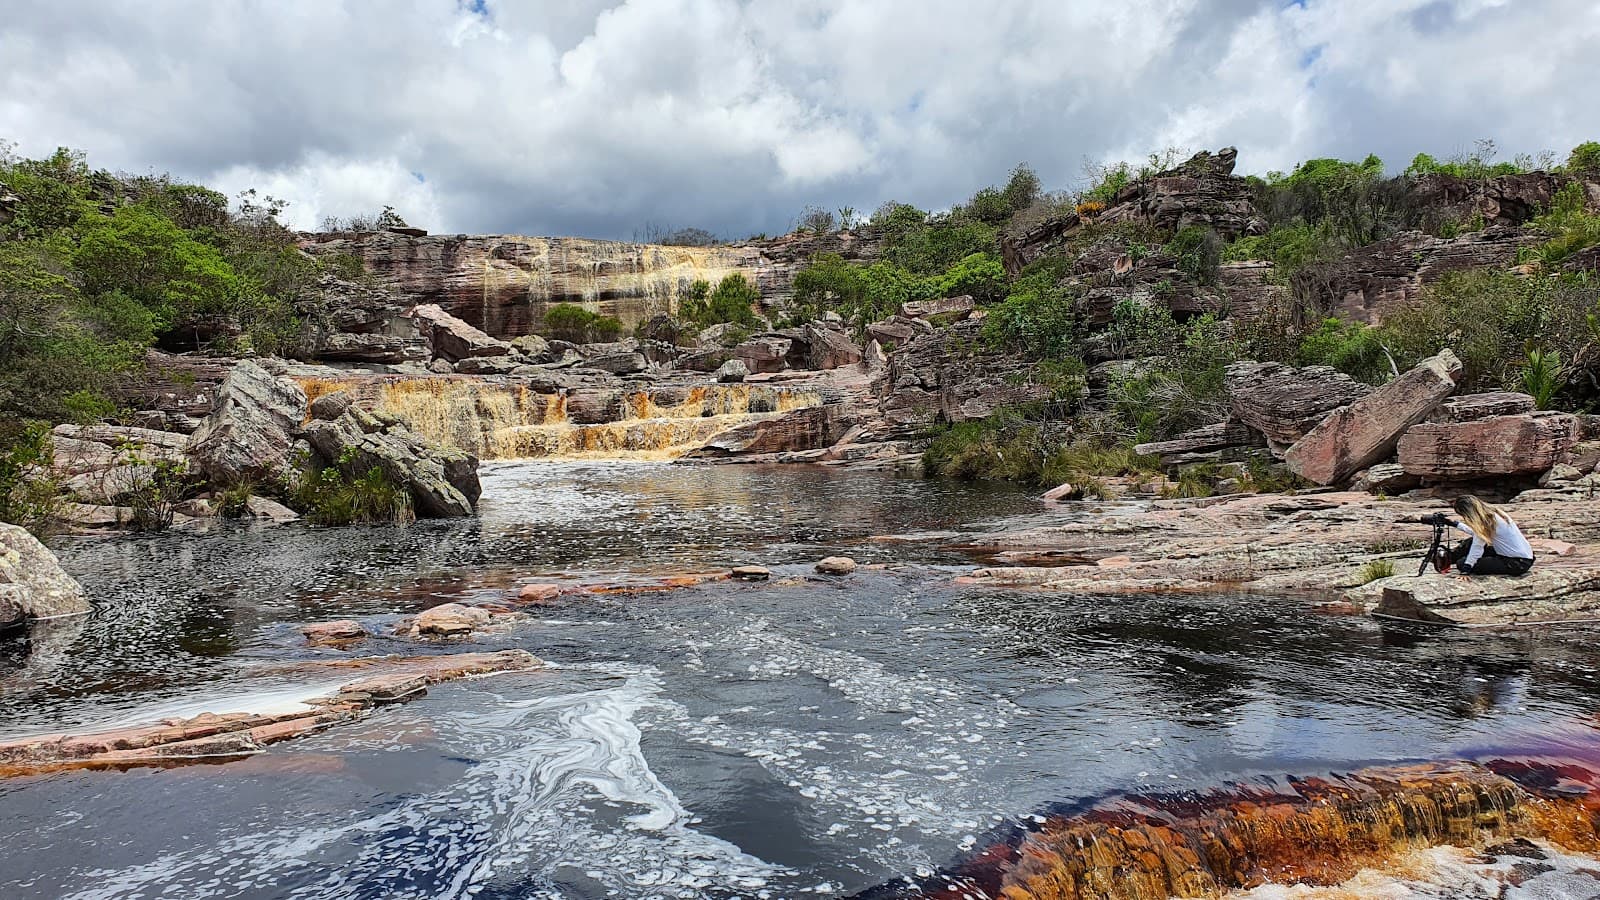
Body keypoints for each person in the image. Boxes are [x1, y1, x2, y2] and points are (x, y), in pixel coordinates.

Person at [1444, 495, 1535, 576]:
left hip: (1516, 563)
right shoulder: (1495, 514)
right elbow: (1477, 534)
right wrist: (1455, 524)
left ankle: (1449, 560)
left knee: (1461, 563)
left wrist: (1466, 569)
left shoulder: (1485, 522)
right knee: (1470, 542)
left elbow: (1477, 546)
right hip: (1524, 558)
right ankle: (1449, 559)